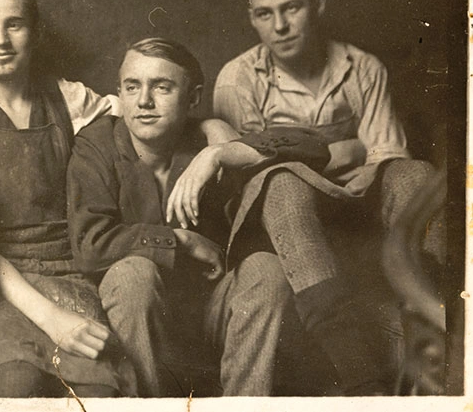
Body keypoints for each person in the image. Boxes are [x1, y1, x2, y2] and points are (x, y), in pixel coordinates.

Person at [211, 0, 436, 394]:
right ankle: (358, 372)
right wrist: (346, 149)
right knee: (281, 183)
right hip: (274, 224)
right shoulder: (237, 79)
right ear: (251, 19)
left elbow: (387, 158)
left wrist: (312, 154)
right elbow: (247, 173)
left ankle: (433, 321)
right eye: (264, 14)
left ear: (318, 5)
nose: (280, 26)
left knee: (417, 174)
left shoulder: (362, 67)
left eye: (291, 8)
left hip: (355, 217)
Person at [67, 37, 331, 396]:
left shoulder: (206, 141)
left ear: (192, 99)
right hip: (140, 320)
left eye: (162, 87)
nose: (144, 101)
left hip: (211, 314)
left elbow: (314, 147)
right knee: (132, 274)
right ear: (120, 93)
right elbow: (90, 245)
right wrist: (180, 240)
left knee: (267, 270)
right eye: (132, 87)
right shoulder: (96, 145)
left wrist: (219, 153)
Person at [0, 0, 130, 397]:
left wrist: (209, 128)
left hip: (74, 275)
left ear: (36, 31)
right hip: (0, 284)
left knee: (102, 388)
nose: (1, 40)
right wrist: (49, 316)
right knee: (16, 383)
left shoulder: (69, 99)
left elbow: (144, 120)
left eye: (15, 24)